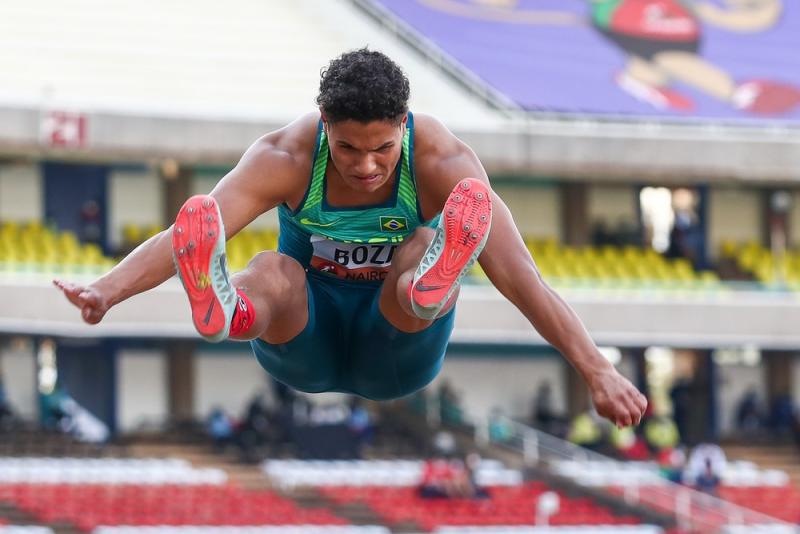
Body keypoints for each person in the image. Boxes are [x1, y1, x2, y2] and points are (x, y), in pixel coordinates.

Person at [53, 49, 646, 426]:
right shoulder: (285, 155)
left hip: (396, 347)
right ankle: (227, 311)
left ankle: (427, 287)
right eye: (347, 150)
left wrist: (596, 369)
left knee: (421, 248)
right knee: (273, 268)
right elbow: (185, 231)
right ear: (324, 126)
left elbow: (522, 279)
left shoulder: (443, 162)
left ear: (404, 127)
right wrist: (106, 291)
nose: (365, 167)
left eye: (383, 149)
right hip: (303, 335)